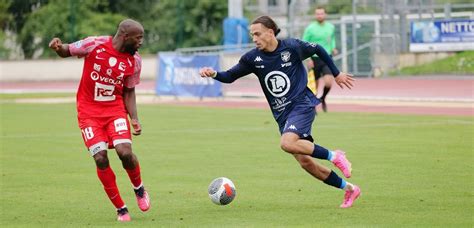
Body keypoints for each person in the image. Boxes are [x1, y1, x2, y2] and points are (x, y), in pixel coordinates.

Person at [200, 16, 360, 208]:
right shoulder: (252, 58)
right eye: (252, 35)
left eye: (257, 34)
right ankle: (350, 189)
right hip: (282, 115)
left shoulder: (291, 47)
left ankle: (335, 156)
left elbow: (317, 48)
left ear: (270, 32)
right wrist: (214, 74)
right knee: (306, 163)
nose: (254, 38)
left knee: (287, 143)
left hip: (302, 104)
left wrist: (336, 73)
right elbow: (230, 76)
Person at [48, 19, 150, 222]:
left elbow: (129, 91)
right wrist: (58, 47)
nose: (141, 42)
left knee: (125, 153)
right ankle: (121, 209)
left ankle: (139, 188)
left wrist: (135, 118)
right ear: (125, 36)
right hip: (89, 113)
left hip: (115, 111)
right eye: (138, 38)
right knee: (101, 157)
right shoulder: (94, 44)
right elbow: (67, 50)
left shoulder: (135, 61)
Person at [302, 6, 338, 112]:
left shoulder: (331, 27)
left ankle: (323, 98)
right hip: (314, 59)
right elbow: (304, 45)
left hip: (327, 58)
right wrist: (308, 59)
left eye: (321, 13)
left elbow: (331, 39)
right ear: (315, 15)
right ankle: (313, 107)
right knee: (315, 86)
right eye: (317, 14)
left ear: (325, 14)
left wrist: (333, 48)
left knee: (328, 82)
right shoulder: (310, 28)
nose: (319, 15)